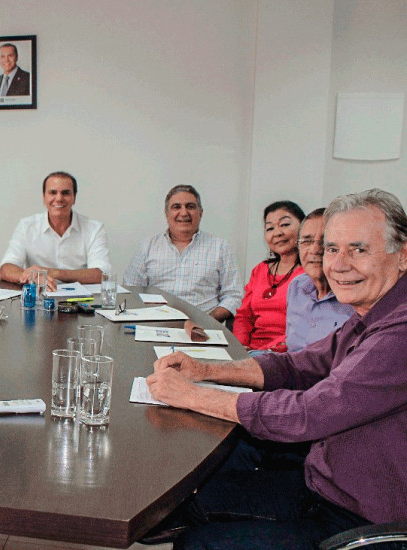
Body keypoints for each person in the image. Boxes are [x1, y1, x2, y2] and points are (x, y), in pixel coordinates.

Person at [146, 188, 407, 549]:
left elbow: (309, 412)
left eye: (358, 249)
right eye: (332, 249)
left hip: (361, 516)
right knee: (185, 503)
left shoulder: (400, 332)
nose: (339, 264)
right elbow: (302, 364)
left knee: (197, 544)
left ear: (403, 255)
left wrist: (193, 395)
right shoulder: (374, 311)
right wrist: (204, 369)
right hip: (321, 485)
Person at [123, 185, 242, 322]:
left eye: (190, 206)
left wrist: (207, 321)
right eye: (176, 207)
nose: (184, 213)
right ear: (167, 214)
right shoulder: (147, 247)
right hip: (155, 326)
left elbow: (234, 296)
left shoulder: (220, 247)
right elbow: (130, 291)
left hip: (203, 329)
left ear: (201, 213)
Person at [0, 171, 111, 291]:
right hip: (39, 297)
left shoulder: (94, 228)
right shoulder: (26, 226)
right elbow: (6, 268)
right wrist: (33, 277)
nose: (59, 198)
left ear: (74, 198)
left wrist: (54, 273)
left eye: (65, 193)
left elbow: (101, 274)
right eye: (53, 192)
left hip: (80, 302)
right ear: (44, 197)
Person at [232, 201, 306, 353]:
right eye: (270, 228)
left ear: (303, 228)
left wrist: (264, 352)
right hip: (249, 351)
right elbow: (244, 316)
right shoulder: (260, 270)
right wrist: (239, 347)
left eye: (284, 224)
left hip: (286, 353)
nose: (277, 233)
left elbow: (302, 328)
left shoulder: (309, 273)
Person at [285, 208, 354, 352]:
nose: (315, 249)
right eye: (307, 241)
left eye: (325, 241)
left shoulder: (354, 296)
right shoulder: (297, 288)